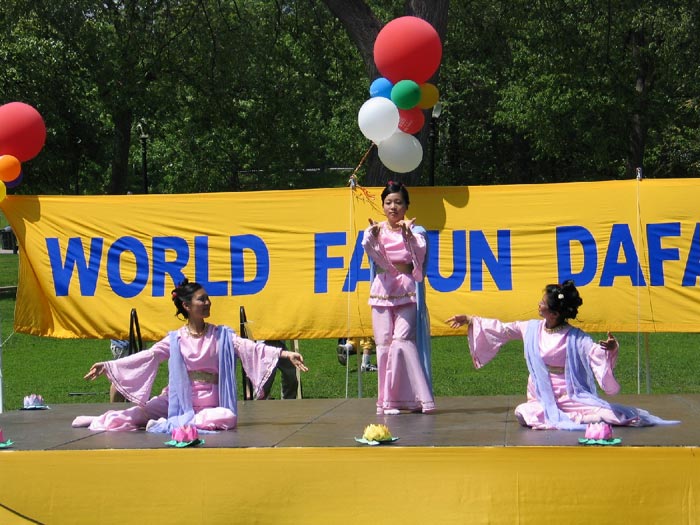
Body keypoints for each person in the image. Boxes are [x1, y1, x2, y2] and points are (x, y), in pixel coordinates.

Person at [72, 279, 308, 432]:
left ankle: (168, 425)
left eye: (207, 299)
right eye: (201, 299)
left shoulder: (221, 335)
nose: (207, 303)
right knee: (135, 415)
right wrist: (108, 365)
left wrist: (286, 354)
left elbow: (251, 347)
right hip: (176, 398)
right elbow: (148, 356)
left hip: (209, 402)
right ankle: (97, 420)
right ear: (187, 306)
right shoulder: (175, 339)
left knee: (227, 417)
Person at [446, 280, 678, 430]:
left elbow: (595, 353)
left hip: (570, 392)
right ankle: (576, 418)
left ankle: (582, 417)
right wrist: (470, 319)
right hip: (540, 392)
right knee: (523, 412)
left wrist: (610, 348)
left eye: (543, 304)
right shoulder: (531, 328)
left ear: (554, 314)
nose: (539, 305)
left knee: (610, 413)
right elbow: (503, 329)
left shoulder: (575, 337)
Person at [362, 181, 435, 415]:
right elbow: (369, 250)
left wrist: (407, 235)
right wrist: (373, 238)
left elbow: (419, 256)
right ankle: (387, 401)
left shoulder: (416, 231)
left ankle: (418, 399)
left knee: (403, 340)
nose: (393, 207)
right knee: (384, 344)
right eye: (388, 202)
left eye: (398, 202)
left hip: (407, 289)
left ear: (406, 206)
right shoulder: (375, 230)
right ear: (383, 206)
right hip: (382, 290)